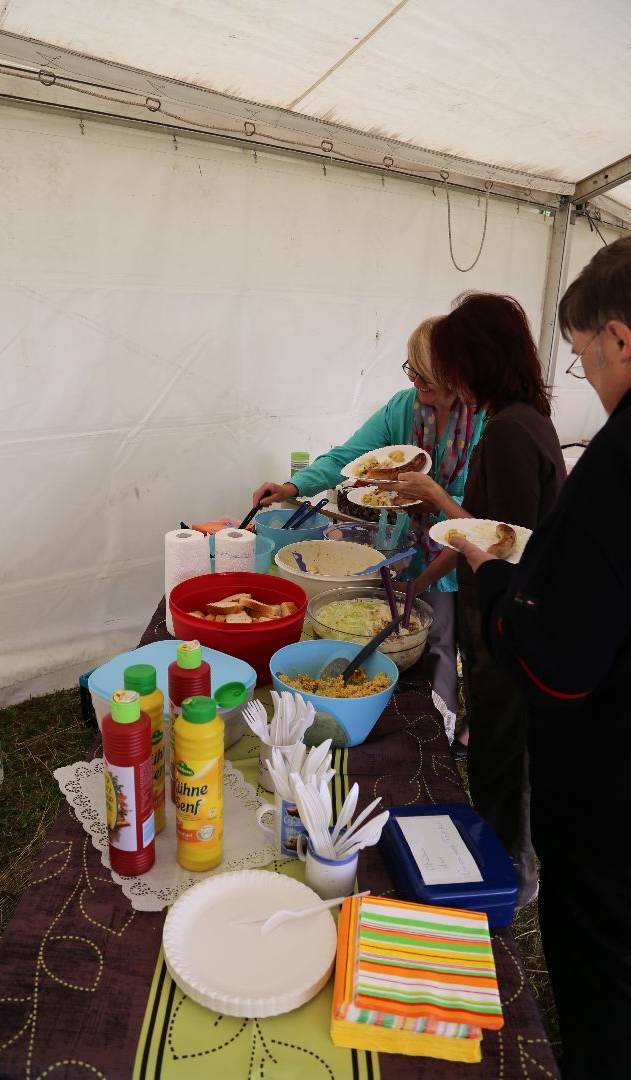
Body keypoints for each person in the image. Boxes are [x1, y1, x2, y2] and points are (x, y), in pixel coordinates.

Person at [449, 239, 631, 1079]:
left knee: (601, 999)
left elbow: (558, 657)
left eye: (585, 350)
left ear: (619, 339)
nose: (584, 370)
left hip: (603, 812)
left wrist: (490, 580)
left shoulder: (611, 460)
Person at [388, 293, 566, 907]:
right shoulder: (520, 419)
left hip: (509, 632)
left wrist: (437, 498)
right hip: (498, 627)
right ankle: (503, 870)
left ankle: (509, 884)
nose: (448, 377)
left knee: (500, 761)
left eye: (455, 361)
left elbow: (505, 546)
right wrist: (416, 584)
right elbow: (476, 536)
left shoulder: (510, 431)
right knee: (495, 753)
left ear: (478, 359)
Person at [252, 317, 485, 741]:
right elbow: (349, 456)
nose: (416, 381)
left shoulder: (485, 419)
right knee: (397, 635)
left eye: (425, 373)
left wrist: (435, 495)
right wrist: (291, 485)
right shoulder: (403, 408)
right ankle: (396, 725)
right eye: (411, 369)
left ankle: (446, 733)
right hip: (403, 548)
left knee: (445, 644)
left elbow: (487, 513)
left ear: (455, 371)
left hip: (461, 555)